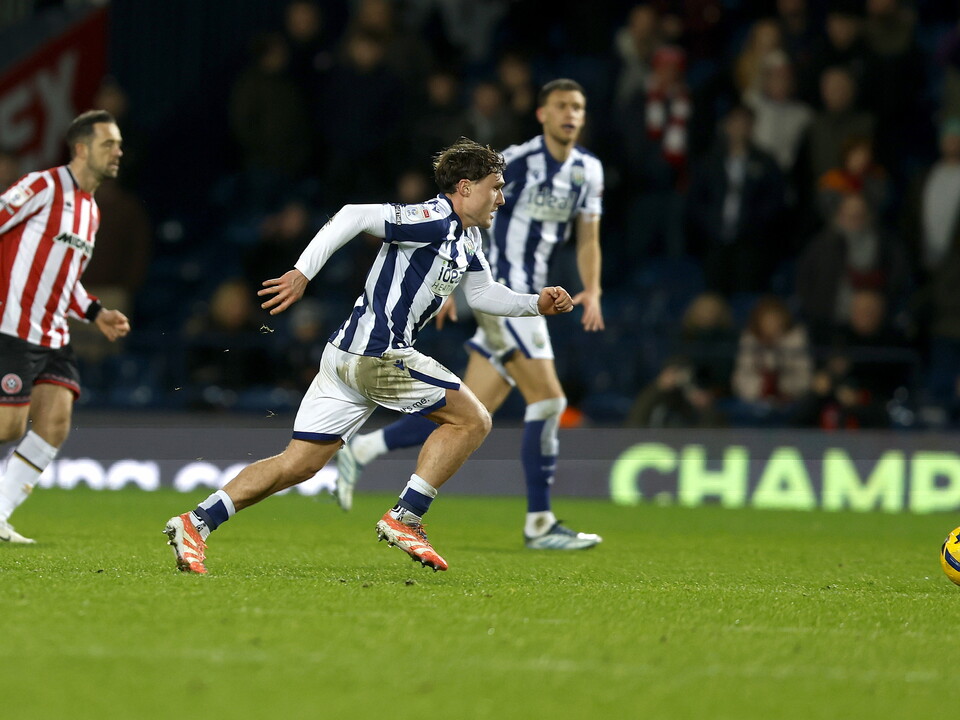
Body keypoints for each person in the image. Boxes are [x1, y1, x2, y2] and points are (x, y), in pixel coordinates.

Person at [163, 138, 574, 574]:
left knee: (298, 463)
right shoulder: (434, 217)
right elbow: (354, 215)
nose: (501, 197)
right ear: (466, 187)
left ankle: (196, 522)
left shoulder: (467, 238)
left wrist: (537, 304)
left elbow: (483, 293)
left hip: (345, 356)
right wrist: (303, 272)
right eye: (496, 186)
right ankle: (406, 517)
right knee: (473, 419)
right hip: (377, 355)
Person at [336, 79, 605, 551]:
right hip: (505, 291)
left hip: (513, 295)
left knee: (466, 408)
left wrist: (594, 289)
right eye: (561, 105)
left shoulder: (589, 171)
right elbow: (474, 208)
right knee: (548, 401)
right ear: (542, 113)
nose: (571, 114)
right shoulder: (518, 162)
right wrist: (455, 279)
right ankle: (540, 523)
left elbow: (587, 237)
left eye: (578, 107)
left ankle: (365, 448)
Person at [0, 110, 131, 543]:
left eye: (118, 144)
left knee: (54, 423)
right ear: (81, 148)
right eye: (108, 144)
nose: (118, 151)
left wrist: (96, 313)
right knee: (9, 428)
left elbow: (64, 276)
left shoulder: (90, 211)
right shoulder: (43, 185)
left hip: (52, 332)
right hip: (13, 325)